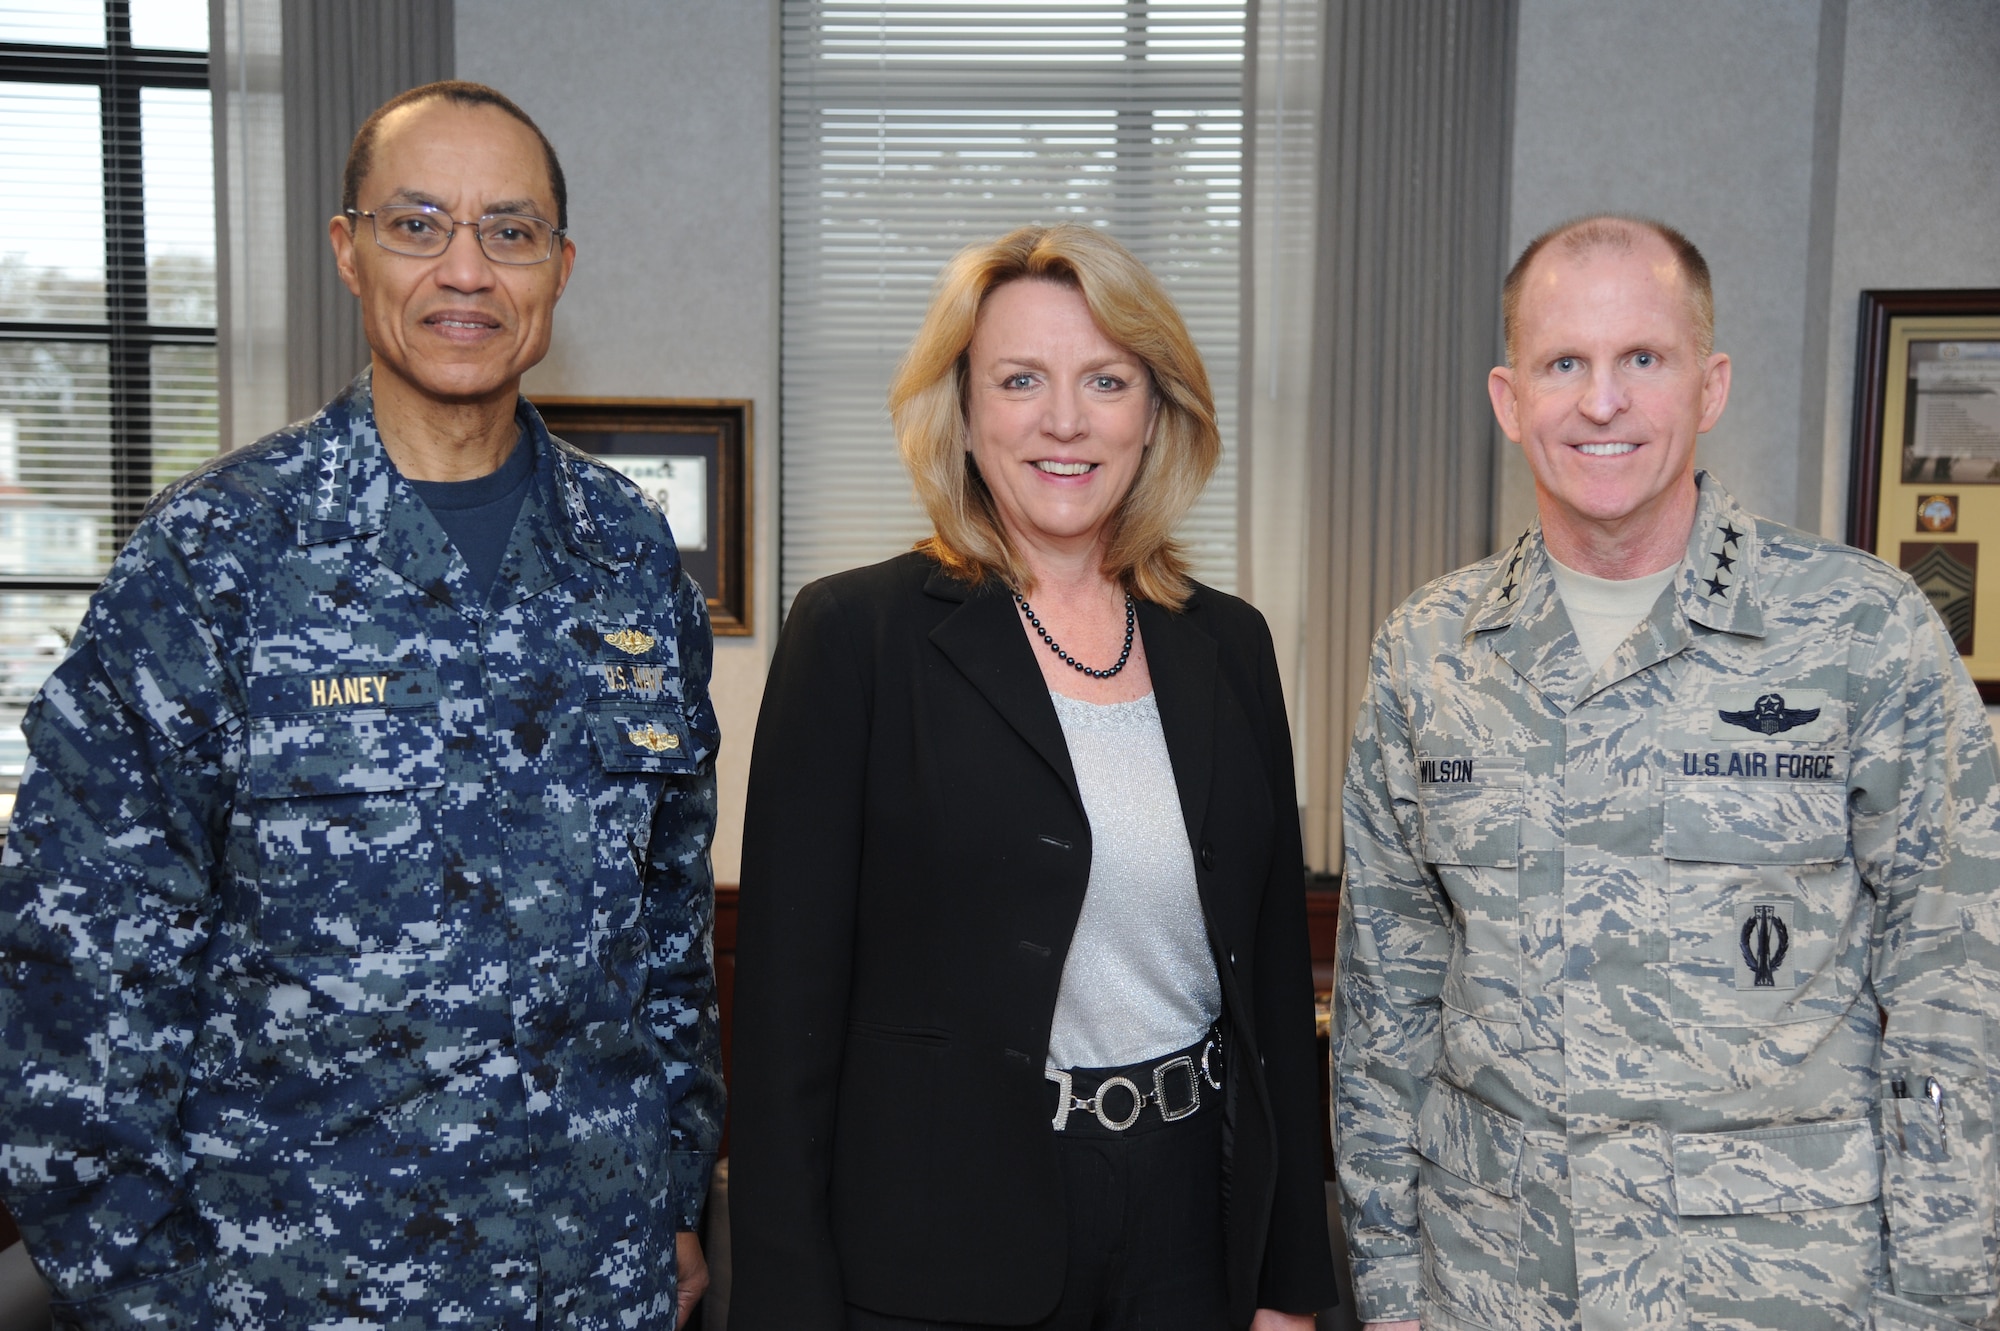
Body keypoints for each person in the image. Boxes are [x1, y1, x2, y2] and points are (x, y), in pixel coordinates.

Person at [0, 81, 723, 1329]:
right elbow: (85, 960)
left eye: (509, 230)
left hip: (589, 1277)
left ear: (557, 266)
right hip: (294, 1287)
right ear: (347, 249)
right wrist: (142, 1287)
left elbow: (664, 923)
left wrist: (671, 1196)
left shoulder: (629, 552)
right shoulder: (213, 555)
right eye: (416, 223)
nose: (465, 270)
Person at [1334, 213, 2000, 1331]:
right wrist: (1391, 1282)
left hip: (1779, 1288)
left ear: (1709, 385)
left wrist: (1936, 1296)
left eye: (1642, 358)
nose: (1602, 401)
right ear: (1508, 400)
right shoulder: (1427, 650)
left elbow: (1952, 983)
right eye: (1563, 363)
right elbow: (1383, 996)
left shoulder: (1859, 631)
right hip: (1495, 1284)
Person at [729, 223, 1339, 1330]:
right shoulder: (855, 637)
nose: (1064, 420)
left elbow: (1268, 996)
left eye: (1105, 380)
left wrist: (1292, 1282)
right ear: (962, 410)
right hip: (941, 1241)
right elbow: (782, 1026)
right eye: (1020, 380)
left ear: (1154, 412)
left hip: (1188, 1227)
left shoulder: (1230, 647)